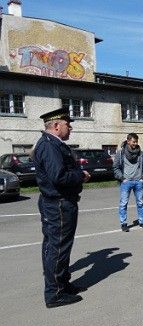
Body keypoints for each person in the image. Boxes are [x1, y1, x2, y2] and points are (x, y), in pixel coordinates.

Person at [33, 107, 90, 308]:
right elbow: (59, 176)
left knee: (58, 246)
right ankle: (55, 293)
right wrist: (80, 176)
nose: (70, 128)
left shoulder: (53, 144)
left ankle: (62, 284)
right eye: (67, 124)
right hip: (58, 204)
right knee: (58, 247)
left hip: (59, 203)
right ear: (57, 125)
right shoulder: (49, 146)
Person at [113, 133, 143, 231]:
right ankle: (123, 224)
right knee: (123, 204)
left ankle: (142, 222)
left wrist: (142, 178)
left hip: (138, 182)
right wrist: (122, 179)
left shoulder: (140, 153)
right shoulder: (120, 153)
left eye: (136, 142)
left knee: (140, 203)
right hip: (126, 182)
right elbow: (116, 168)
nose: (135, 143)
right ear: (128, 141)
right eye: (134, 142)